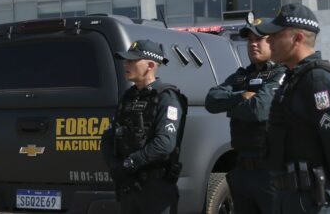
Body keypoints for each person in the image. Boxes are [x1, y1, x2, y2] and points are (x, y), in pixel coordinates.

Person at [255, 3, 330, 214]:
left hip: (311, 200)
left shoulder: (317, 79)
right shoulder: (294, 77)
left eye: (276, 35)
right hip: (289, 197)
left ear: (297, 38)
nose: (269, 41)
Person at [205, 18, 286, 214]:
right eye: (250, 40)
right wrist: (241, 95)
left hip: (270, 171)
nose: (253, 44)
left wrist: (231, 108)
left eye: (259, 39)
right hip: (242, 169)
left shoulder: (281, 73)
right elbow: (211, 100)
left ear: (273, 41)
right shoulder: (241, 77)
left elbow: (260, 110)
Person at [101, 39, 187, 214]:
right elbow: (110, 136)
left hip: (155, 188)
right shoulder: (128, 97)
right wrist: (114, 165)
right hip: (129, 186)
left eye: (132, 60)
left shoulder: (166, 97)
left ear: (149, 65)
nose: (126, 64)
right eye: (126, 60)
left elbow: (164, 144)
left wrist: (131, 163)